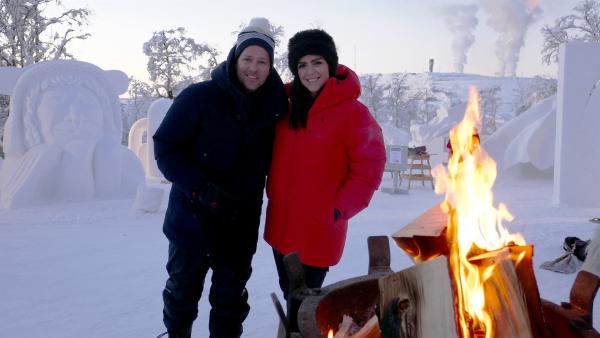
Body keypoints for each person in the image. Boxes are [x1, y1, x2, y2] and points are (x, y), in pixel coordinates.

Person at [153, 17, 287, 338]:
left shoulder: (276, 108)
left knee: (229, 304)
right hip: (191, 221)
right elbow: (165, 148)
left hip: (239, 226)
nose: (253, 68)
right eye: (248, 59)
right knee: (181, 295)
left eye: (262, 61)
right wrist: (200, 188)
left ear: (270, 66)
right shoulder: (199, 98)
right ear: (235, 58)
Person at [264, 29, 386, 300]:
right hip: (281, 224)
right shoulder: (286, 107)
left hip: (318, 229)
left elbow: (370, 167)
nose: (310, 72)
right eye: (302, 65)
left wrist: (338, 209)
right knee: (289, 294)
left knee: (307, 303)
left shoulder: (353, 113)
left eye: (317, 62)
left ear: (330, 64)